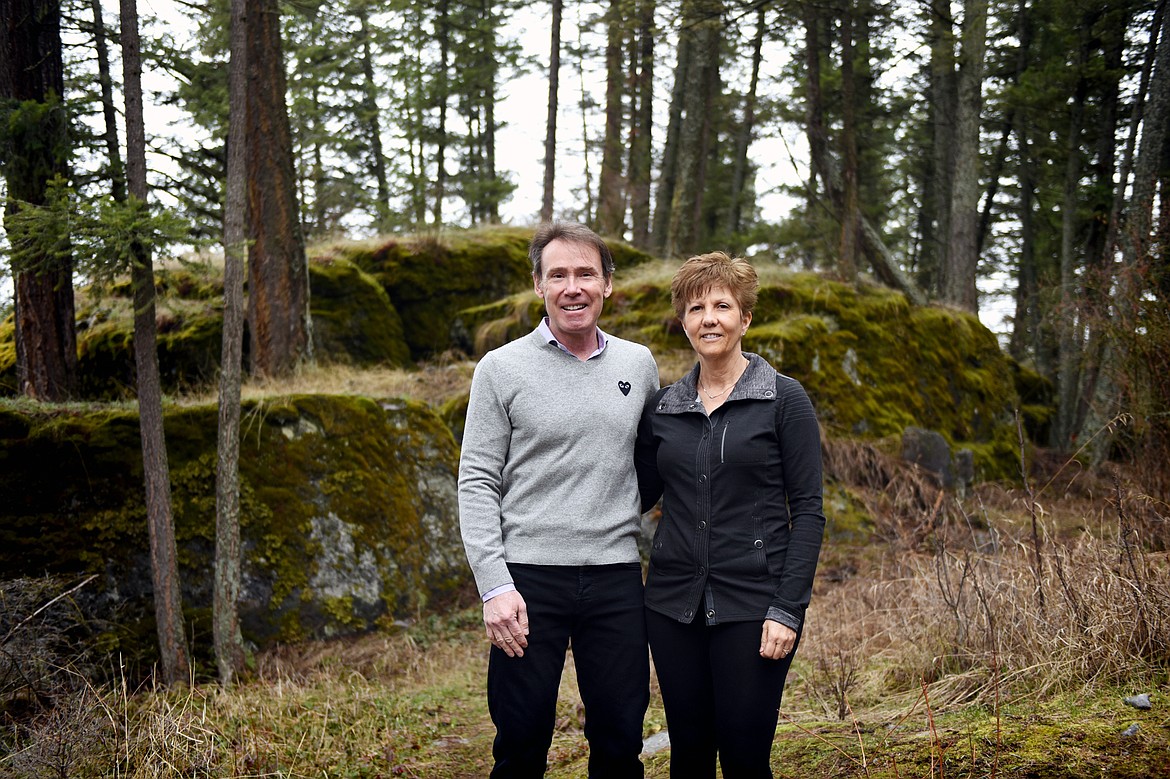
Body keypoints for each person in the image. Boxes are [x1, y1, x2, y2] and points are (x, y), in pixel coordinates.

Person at [458, 221, 660, 778]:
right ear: (539, 285)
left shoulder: (638, 365)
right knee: (521, 743)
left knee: (620, 741)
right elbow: (476, 479)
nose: (574, 287)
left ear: (608, 285)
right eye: (559, 275)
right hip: (526, 581)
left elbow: (649, 461)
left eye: (586, 274)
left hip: (616, 578)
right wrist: (494, 585)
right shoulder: (499, 369)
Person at [634, 252, 826, 779]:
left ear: (746, 318)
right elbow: (635, 493)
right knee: (689, 757)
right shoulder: (663, 408)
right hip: (672, 607)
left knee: (744, 757)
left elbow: (808, 510)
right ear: (683, 322)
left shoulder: (783, 399)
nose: (709, 318)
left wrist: (787, 609)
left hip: (754, 605)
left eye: (723, 305)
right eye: (696, 308)